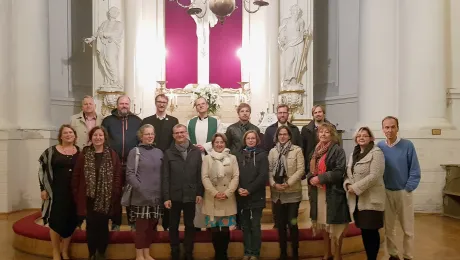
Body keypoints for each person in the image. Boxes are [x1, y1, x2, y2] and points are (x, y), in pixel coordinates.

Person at [72, 126, 123, 260]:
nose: (98, 138)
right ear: (91, 137)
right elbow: (77, 174)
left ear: (104, 137)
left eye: (100, 135)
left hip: (106, 198)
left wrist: (115, 191)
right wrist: (77, 192)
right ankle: (91, 253)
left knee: (103, 226)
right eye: (95, 135)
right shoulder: (85, 153)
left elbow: (118, 174)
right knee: (90, 226)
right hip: (88, 197)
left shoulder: (112, 154)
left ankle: (101, 252)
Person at [377, 116, 420, 260]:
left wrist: (408, 188)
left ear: (397, 128)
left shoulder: (408, 145)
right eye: (386, 127)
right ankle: (393, 254)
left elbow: (415, 170)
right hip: (386, 192)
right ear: (383, 129)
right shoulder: (379, 147)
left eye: (392, 127)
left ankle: (408, 256)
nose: (389, 130)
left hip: (403, 192)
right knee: (389, 228)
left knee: (407, 228)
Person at [307, 123, 350, 260]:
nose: (323, 134)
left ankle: (338, 255)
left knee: (335, 225)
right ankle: (327, 253)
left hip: (333, 193)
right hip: (319, 193)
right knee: (324, 224)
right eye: (321, 132)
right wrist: (311, 179)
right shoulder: (315, 151)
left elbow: (339, 171)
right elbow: (310, 172)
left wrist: (320, 178)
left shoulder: (338, 150)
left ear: (332, 135)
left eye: (327, 132)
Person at [38, 124, 80, 260]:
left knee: (71, 220)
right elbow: (42, 170)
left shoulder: (80, 152)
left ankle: (65, 251)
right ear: (60, 136)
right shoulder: (50, 152)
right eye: (65, 133)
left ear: (75, 136)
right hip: (55, 193)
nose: (68, 135)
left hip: (73, 193)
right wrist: (42, 188)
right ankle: (55, 251)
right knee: (55, 221)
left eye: (71, 133)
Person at [163, 124, 204, 260]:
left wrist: (199, 192)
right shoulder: (168, 153)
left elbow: (199, 174)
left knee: (190, 225)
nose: (180, 135)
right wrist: (166, 197)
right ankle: (174, 250)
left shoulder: (195, 152)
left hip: (191, 194)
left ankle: (188, 251)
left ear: (186, 133)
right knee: (173, 225)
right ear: (173, 135)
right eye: (177, 133)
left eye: (182, 132)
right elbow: (165, 176)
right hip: (174, 195)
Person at [344, 127, 385, 260]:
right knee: (364, 231)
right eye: (359, 135)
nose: (361, 137)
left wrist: (355, 187)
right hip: (358, 200)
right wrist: (348, 184)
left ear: (371, 138)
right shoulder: (353, 154)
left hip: (371, 199)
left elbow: (375, 175)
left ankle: (372, 258)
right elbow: (348, 172)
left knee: (371, 231)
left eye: (365, 136)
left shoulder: (376, 152)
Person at [102, 95, 142, 230]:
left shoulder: (137, 121)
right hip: (114, 163)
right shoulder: (107, 121)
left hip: (132, 164)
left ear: (129, 105)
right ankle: (115, 222)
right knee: (115, 194)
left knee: (132, 193)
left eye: (126, 103)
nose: (124, 106)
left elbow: (140, 141)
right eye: (121, 103)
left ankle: (132, 222)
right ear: (117, 105)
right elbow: (103, 140)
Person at [141, 94, 178, 231]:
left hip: (168, 161)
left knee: (167, 192)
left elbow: (175, 142)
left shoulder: (173, 121)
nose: (161, 104)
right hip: (151, 162)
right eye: (159, 102)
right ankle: (152, 223)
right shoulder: (147, 120)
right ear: (155, 103)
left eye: (164, 102)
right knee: (154, 191)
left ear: (167, 104)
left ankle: (167, 224)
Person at [126, 124, 163, 260]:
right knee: (141, 229)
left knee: (151, 229)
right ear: (141, 136)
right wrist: (142, 190)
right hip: (141, 197)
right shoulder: (135, 152)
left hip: (156, 198)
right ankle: (139, 255)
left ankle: (147, 253)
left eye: (152, 134)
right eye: (147, 134)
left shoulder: (159, 152)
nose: (150, 136)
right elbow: (130, 174)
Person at [186, 97, 224, 230]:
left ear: (207, 106)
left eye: (203, 104)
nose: (201, 106)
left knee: (210, 190)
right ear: (195, 107)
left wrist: (205, 147)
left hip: (211, 158)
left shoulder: (216, 121)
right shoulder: (190, 122)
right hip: (195, 160)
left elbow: (220, 138)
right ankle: (197, 224)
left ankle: (211, 224)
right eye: (198, 105)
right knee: (197, 191)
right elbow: (187, 139)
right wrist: (194, 147)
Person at [268, 126, 305, 260]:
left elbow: (301, 170)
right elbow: (269, 170)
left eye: (285, 134)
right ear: (277, 136)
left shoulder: (297, 150)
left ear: (289, 136)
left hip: (292, 193)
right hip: (277, 194)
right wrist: (274, 184)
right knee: (281, 225)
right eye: (280, 134)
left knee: (292, 223)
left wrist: (288, 183)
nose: (282, 136)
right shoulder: (272, 151)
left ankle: (295, 253)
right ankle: (283, 252)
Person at [263, 104, 302, 228]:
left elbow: (299, 148)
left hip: (291, 173)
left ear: (288, 113)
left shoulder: (295, 129)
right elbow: (266, 149)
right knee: (278, 215)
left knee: (292, 221)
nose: (282, 115)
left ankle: (291, 231)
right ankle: (278, 226)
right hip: (276, 175)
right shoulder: (269, 130)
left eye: (284, 112)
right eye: (280, 113)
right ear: (277, 114)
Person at [201, 133, 239, 260]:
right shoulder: (207, 158)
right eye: (216, 142)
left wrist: (227, 193)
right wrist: (215, 193)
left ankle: (224, 254)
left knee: (225, 230)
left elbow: (236, 177)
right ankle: (217, 254)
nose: (219, 144)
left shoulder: (232, 158)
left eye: (221, 142)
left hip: (227, 198)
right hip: (212, 198)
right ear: (213, 144)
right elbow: (204, 177)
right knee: (215, 230)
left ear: (225, 144)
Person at [237, 130, 268, 260]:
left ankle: (255, 253)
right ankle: (247, 251)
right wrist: (238, 188)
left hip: (256, 195)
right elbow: (235, 174)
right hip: (241, 196)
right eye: (248, 138)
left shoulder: (262, 155)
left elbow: (262, 176)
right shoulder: (238, 155)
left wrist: (249, 190)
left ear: (257, 140)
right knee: (245, 226)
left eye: (253, 138)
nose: (250, 140)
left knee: (255, 225)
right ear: (245, 140)